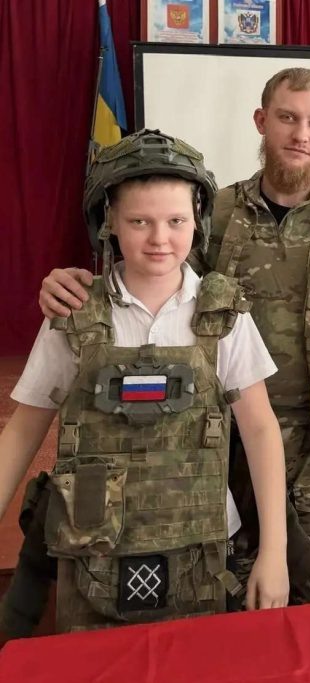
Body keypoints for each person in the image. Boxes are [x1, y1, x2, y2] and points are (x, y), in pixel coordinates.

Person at [37, 67, 310, 603]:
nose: (301, 134)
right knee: (219, 593)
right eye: (287, 117)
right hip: (221, 449)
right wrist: (78, 285)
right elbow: (154, 285)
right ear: (262, 121)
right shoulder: (212, 215)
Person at [0, 130, 289, 633]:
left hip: (200, 550)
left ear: (197, 220)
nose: (159, 238)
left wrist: (275, 552)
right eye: (139, 221)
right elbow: (25, 427)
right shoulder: (74, 314)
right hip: (93, 553)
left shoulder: (223, 313)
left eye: (176, 221)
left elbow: (261, 428)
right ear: (110, 221)